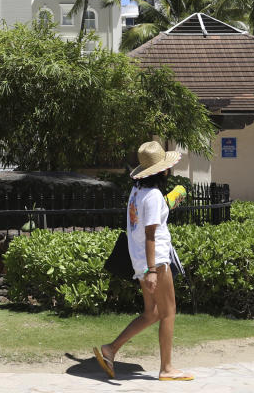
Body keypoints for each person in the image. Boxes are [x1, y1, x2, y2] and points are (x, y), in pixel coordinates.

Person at [93, 141, 193, 382]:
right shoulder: (154, 196)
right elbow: (150, 234)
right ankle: (167, 368)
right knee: (169, 312)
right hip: (156, 261)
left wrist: (145, 268)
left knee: (152, 313)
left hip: (141, 260)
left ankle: (110, 349)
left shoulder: (137, 193)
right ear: (164, 170)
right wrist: (151, 271)